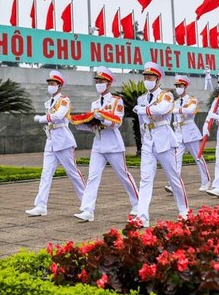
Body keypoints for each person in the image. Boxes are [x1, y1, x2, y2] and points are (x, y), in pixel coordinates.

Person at [73, 66, 139, 222]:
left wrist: (102, 118)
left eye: (101, 81)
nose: (98, 84)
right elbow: (94, 125)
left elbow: (117, 122)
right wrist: (83, 124)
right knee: (93, 177)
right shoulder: (95, 103)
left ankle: (137, 204)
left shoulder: (116, 101)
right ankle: (88, 210)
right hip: (98, 143)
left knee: (123, 175)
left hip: (113, 144)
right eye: (97, 81)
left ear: (109, 84)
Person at [132, 62, 189, 227]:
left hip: (164, 139)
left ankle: (184, 210)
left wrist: (143, 110)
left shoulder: (166, 95)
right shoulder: (141, 98)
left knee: (173, 177)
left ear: (158, 79)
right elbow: (142, 122)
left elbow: (161, 110)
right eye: (145, 77)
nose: (147, 80)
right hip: (148, 140)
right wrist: (144, 141)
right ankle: (142, 216)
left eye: (150, 77)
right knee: (145, 178)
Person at [25, 70, 86, 217]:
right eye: (49, 83)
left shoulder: (64, 100)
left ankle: (87, 204)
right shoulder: (49, 102)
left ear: (59, 86)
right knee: (46, 173)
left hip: (63, 140)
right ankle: (40, 206)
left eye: (53, 84)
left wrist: (42, 118)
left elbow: (58, 116)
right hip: (51, 140)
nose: (50, 86)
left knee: (73, 173)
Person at [169, 74, 211, 192]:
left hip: (190, 132)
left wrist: (175, 110)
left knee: (198, 158)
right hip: (178, 133)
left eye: (180, 85)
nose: (178, 88)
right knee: (176, 158)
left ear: (185, 87)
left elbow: (189, 110)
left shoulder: (192, 100)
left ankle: (206, 181)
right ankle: (174, 184)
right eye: (177, 86)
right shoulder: (176, 102)